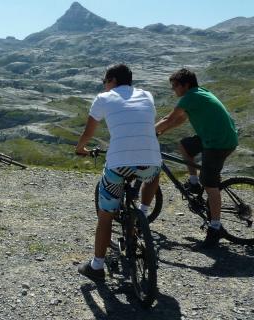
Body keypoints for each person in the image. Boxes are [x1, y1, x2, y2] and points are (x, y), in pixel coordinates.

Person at [75, 64, 162, 281]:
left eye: (105, 81)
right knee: (154, 173)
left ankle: (96, 266)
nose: (104, 86)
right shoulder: (147, 95)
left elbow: (89, 131)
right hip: (149, 163)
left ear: (112, 80)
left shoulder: (104, 98)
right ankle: (142, 211)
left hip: (118, 165)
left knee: (105, 216)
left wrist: (80, 149)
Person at [145, 68, 238, 248]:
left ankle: (215, 228)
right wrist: (160, 132)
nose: (174, 90)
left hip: (218, 143)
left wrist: (145, 133)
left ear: (185, 85)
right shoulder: (198, 93)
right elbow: (179, 120)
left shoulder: (189, 97)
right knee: (185, 146)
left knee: (210, 184)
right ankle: (194, 182)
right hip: (216, 137)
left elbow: (169, 118)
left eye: (175, 86)